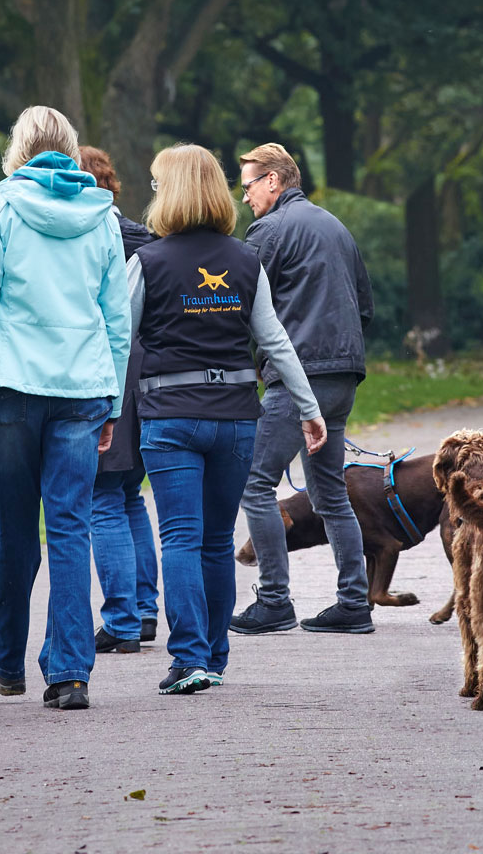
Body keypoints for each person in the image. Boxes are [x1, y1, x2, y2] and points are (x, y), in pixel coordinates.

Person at [130, 144, 324, 694]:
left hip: (170, 417)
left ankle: (188, 657)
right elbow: (276, 343)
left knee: (181, 538)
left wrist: (98, 410)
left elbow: (117, 341)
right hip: (238, 417)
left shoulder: (147, 261)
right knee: (216, 541)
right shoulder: (245, 260)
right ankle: (215, 657)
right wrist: (309, 410)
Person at [0, 107, 131, 711]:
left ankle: (6, 660)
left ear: (19, 149)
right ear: (71, 150)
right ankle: (70, 671)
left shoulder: (0, 206)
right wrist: (112, 398)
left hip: (11, 388)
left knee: (14, 526)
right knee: (71, 528)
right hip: (82, 389)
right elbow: (116, 320)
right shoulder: (102, 216)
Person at [229, 143, 378, 636]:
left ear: (273, 180)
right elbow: (364, 307)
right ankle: (354, 602)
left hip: (300, 376)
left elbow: (237, 305)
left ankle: (274, 600)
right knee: (330, 491)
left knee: (255, 481)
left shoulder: (269, 231)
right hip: (344, 375)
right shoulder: (336, 226)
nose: (244, 196)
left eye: (248, 184)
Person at [78, 145, 159, 655]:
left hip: (109, 376)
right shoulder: (146, 238)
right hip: (151, 381)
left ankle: (122, 621)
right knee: (130, 496)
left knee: (102, 497)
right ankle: (145, 611)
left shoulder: (87, 238)